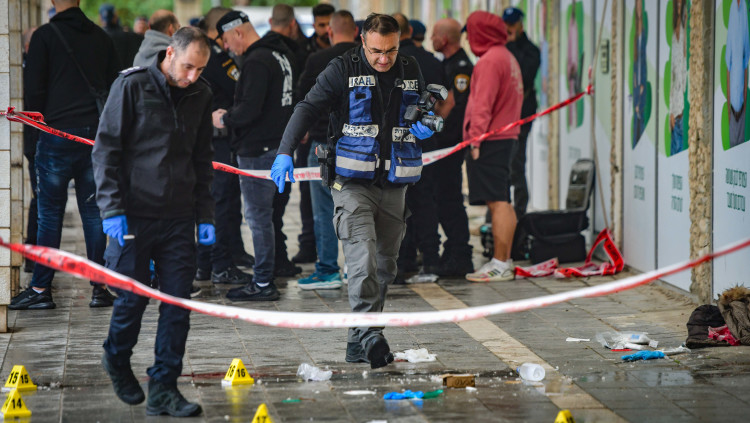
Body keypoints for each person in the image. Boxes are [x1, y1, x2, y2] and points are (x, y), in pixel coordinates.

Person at [271, 13, 434, 368]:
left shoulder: (410, 68)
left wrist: (425, 126)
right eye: (376, 51)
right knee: (361, 260)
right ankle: (372, 335)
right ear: (362, 40)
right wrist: (284, 151)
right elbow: (307, 107)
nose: (384, 59)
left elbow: (423, 109)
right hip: (351, 183)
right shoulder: (341, 68)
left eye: (391, 50)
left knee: (385, 267)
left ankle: (357, 343)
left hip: (394, 183)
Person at [93, 27, 214, 417]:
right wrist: (111, 208)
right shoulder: (132, 86)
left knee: (177, 305)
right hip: (134, 214)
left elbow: (202, 159)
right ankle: (116, 356)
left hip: (179, 216)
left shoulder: (200, 93)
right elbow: (106, 150)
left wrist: (205, 215)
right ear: (169, 54)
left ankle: (164, 387)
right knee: (133, 298)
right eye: (188, 66)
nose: (192, 76)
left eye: (200, 69)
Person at [12, 0, 120, 310]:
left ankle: (41, 289)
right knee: (94, 214)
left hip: (55, 134)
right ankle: (100, 288)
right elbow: (114, 87)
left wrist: (34, 138)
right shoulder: (101, 37)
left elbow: (33, 92)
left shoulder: (44, 37)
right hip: (94, 138)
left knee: (49, 216)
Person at [212, 10, 296, 301]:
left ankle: (262, 282)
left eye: (226, 40)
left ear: (237, 32)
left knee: (259, 218)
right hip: (279, 147)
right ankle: (265, 276)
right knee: (268, 217)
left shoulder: (257, 60)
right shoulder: (280, 55)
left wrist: (224, 118)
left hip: (258, 150)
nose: (226, 47)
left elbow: (249, 109)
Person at [293, 10, 359, 290]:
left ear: (330, 32)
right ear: (356, 32)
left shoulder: (318, 60)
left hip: (323, 144)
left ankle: (328, 269)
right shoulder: (365, 59)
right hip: (361, 146)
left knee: (324, 211)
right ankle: (357, 268)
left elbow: (303, 101)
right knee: (360, 207)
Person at [193, 7, 254, 285]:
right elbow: (238, 90)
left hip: (212, 141)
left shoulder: (203, 53)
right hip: (217, 141)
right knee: (222, 204)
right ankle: (220, 264)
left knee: (219, 202)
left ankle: (207, 263)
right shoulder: (214, 57)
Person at [463, 11, 523, 283]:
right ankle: (503, 260)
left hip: (491, 140)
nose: (468, 38)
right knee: (502, 200)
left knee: (498, 202)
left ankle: (500, 263)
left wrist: (475, 139)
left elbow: (482, 105)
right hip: (505, 138)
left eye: (471, 32)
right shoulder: (506, 56)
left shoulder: (489, 61)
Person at [391, 12, 451, 281]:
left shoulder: (389, 63)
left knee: (399, 204)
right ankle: (430, 260)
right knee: (426, 202)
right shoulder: (430, 61)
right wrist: (432, 123)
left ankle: (403, 261)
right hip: (426, 142)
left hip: (398, 146)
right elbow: (446, 101)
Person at [430, 18, 474, 277]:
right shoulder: (446, 63)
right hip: (443, 143)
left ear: (444, 39)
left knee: (450, 198)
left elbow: (455, 105)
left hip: (450, 143)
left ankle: (460, 253)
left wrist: (435, 126)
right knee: (443, 197)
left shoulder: (460, 67)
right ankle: (454, 248)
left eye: (435, 34)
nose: (431, 39)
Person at [293, 3, 336, 266]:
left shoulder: (354, 52)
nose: (325, 30)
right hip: (314, 134)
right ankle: (308, 244)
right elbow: (301, 95)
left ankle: (329, 261)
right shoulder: (305, 52)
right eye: (320, 25)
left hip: (335, 134)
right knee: (310, 196)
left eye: (328, 24)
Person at [266, 4, 305, 277]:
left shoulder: (259, 54)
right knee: (274, 208)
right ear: (292, 24)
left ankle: (274, 261)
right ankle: (276, 261)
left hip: (268, 143)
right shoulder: (292, 54)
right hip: (284, 142)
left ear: (271, 22)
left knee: (267, 210)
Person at [503, 7, 540, 219]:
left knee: (516, 163)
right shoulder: (501, 47)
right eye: (505, 24)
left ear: (520, 25)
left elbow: (522, 76)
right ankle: (499, 212)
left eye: (511, 24)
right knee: (500, 165)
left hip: (521, 115)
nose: (508, 28)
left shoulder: (531, 51)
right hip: (502, 115)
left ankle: (519, 213)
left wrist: (510, 44)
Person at [21, 26, 38, 274]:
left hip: (41, 143)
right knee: (41, 201)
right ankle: (34, 257)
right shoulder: (25, 71)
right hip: (36, 145)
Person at [727, 0, 750, 148]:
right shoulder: (732, 10)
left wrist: (745, 103)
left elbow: (746, 59)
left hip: (741, 108)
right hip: (733, 107)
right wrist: (729, 110)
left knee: (740, 149)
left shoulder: (744, 10)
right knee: (732, 149)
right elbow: (728, 66)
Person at [99, 3, 142, 69]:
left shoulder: (97, 37)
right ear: (115, 16)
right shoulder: (129, 35)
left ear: (100, 18)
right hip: (128, 73)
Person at [670, 0, 688, 155]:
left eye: (682, 3)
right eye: (678, 3)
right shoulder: (673, 35)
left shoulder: (683, 32)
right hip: (674, 112)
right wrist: (670, 111)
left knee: (679, 153)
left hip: (681, 109)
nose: (679, 5)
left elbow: (684, 61)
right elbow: (672, 76)